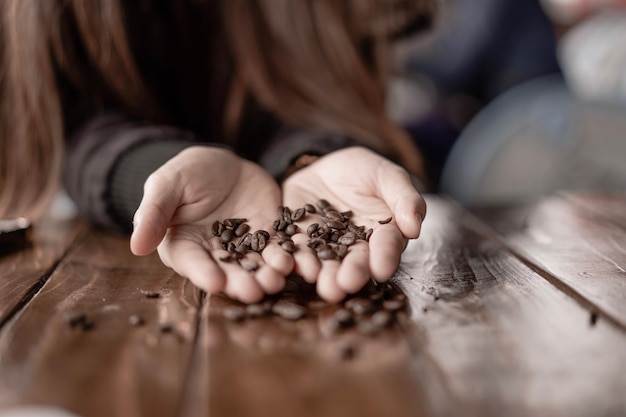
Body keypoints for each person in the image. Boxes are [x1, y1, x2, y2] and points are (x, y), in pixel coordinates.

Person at [0, 0, 431, 303]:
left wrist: (317, 155)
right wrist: (157, 171)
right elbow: (71, 123)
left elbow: (330, 87)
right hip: (103, 231)